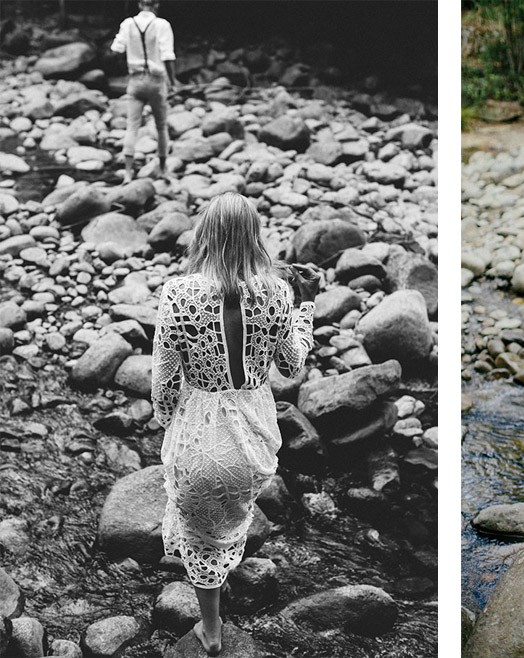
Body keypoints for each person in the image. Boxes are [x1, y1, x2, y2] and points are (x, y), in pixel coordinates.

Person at [151, 193, 319, 655]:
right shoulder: (277, 293)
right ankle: (220, 603)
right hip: (251, 437)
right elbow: (290, 366)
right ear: (254, 238)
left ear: (205, 234)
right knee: (228, 521)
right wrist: (304, 315)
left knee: (200, 535)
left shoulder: (176, 295)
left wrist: (169, 423)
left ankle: (211, 629)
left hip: (198, 433)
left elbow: (163, 387)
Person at [110, 0, 177, 182]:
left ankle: (128, 172)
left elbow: (116, 49)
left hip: (135, 80)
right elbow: (167, 55)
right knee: (161, 127)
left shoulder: (128, 24)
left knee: (132, 126)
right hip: (156, 81)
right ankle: (162, 169)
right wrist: (172, 81)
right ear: (157, 5)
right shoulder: (162, 25)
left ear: (140, 5)